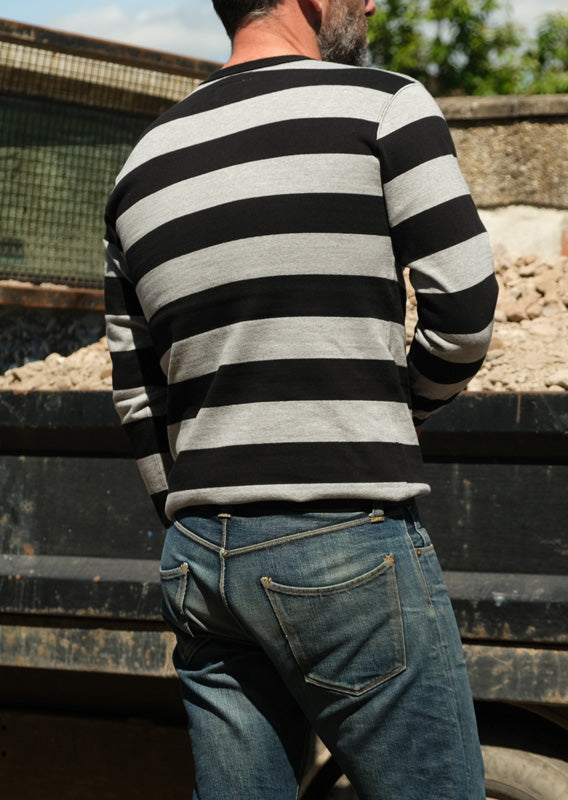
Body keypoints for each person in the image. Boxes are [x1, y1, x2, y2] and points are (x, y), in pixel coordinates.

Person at [103, 0, 498, 796]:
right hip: (341, 539)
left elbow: (138, 397)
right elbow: (462, 315)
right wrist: (397, 412)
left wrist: (199, 513)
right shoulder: (384, 104)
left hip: (198, 560)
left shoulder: (140, 167)